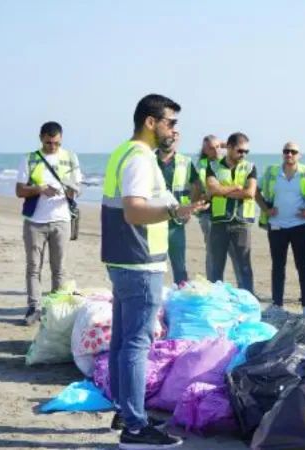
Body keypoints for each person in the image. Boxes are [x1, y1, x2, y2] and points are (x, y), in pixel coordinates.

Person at [102, 94, 206, 448]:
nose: (174, 129)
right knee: (135, 343)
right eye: (170, 122)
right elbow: (134, 211)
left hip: (124, 258)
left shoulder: (123, 152)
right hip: (139, 260)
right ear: (151, 122)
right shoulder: (139, 158)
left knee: (122, 340)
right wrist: (175, 213)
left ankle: (123, 409)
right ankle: (134, 427)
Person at [16, 121, 82, 325]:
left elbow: (77, 188)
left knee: (59, 268)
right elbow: (19, 191)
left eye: (55, 143)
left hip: (61, 220)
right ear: (41, 138)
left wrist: (71, 190)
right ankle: (34, 307)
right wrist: (41, 189)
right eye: (48, 143)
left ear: (61, 138)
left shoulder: (70, 158)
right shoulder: (30, 159)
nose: (52, 146)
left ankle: (55, 308)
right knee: (33, 267)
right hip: (35, 221)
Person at [257, 142, 305, 316]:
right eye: (286, 151)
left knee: (304, 266)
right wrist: (266, 209)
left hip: (301, 226)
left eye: (293, 151)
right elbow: (254, 190)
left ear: (299, 155)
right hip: (277, 225)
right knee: (278, 266)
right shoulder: (272, 171)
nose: (289, 154)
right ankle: (277, 305)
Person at [205, 132, 257, 292]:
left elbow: (250, 193)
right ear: (229, 147)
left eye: (246, 151)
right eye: (240, 150)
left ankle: (248, 300)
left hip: (242, 223)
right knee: (216, 267)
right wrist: (235, 187)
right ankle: (216, 301)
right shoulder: (213, 166)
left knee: (244, 267)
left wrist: (223, 190)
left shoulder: (250, 167)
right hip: (219, 223)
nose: (243, 154)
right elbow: (212, 189)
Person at [156, 130, 201, 285]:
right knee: (153, 264)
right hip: (153, 219)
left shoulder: (186, 162)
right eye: (169, 134)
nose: (172, 137)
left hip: (176, 223)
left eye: (175, 135)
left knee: (179, 266)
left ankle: (180, 297)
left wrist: (189, 208)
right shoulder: (148, 160)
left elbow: (197, 185)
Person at [197, 135, 240, 283]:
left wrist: (220, 189)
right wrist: (229, 188)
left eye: (217, 147)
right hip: (208, 215)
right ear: (204, 150)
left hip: (228, 214)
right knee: (213, 254)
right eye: (211, 148)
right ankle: (213, 286)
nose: (215, 150)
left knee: (236, 253)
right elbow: (207, 191)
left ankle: (243, 288)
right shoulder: (202, 165)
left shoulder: (227, 162)